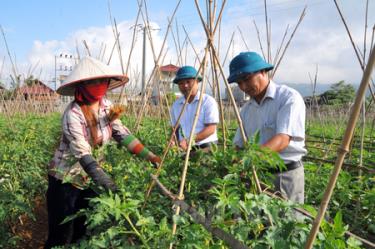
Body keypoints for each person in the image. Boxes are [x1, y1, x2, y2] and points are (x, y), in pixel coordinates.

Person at [45, 57, 161, 249]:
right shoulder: (73, 113)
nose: (98, 86)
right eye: (92, 82)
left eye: (101, 81)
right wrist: (106, 182)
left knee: (83, 230)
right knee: (60, 234)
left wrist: (151, 157)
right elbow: (82, 153)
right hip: (66, 179)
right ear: (81, 85)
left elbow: (122, 134)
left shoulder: (106, 106)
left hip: (90, 179)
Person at [228, 52, 307, 203]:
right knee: (259, 223)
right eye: (239, 83)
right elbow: (238, 145)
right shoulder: (246, 110)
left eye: (246, 78)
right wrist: (232, 166)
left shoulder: (288, 97)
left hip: (285, 175)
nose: (243, 86)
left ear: (263, 71)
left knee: (289, 222)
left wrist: (248, 160)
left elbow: (282, 139)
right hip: (257, 175)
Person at [170, 66, 219, 151]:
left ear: (197, 82)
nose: (185, 85)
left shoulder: (207, 101)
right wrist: (173, 140)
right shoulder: (176, 105)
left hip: (206, 147)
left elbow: (211, 128)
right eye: (181, 83)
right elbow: (175, 128)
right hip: (184, 148)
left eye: (188, 82)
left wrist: (190, 141)